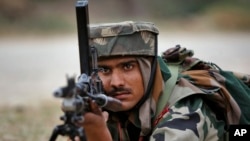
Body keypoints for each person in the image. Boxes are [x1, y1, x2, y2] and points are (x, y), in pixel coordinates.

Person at [72, 21, 250, 141]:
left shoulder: (185, 112)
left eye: (128, 66)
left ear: (148, 68)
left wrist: (98, 134)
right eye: (104, 70)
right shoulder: (106, 104)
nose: (116, 82)